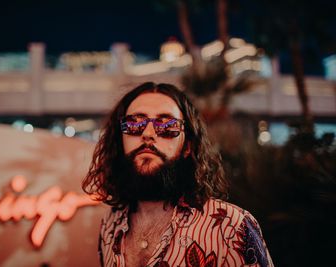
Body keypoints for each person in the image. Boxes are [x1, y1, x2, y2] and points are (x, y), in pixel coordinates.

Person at [82, 82, 274, 267]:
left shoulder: (231, 226)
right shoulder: (110, 225)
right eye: (135, 124)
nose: (148, 133)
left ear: (187, 147)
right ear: (120, 140)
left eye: (166, 126)